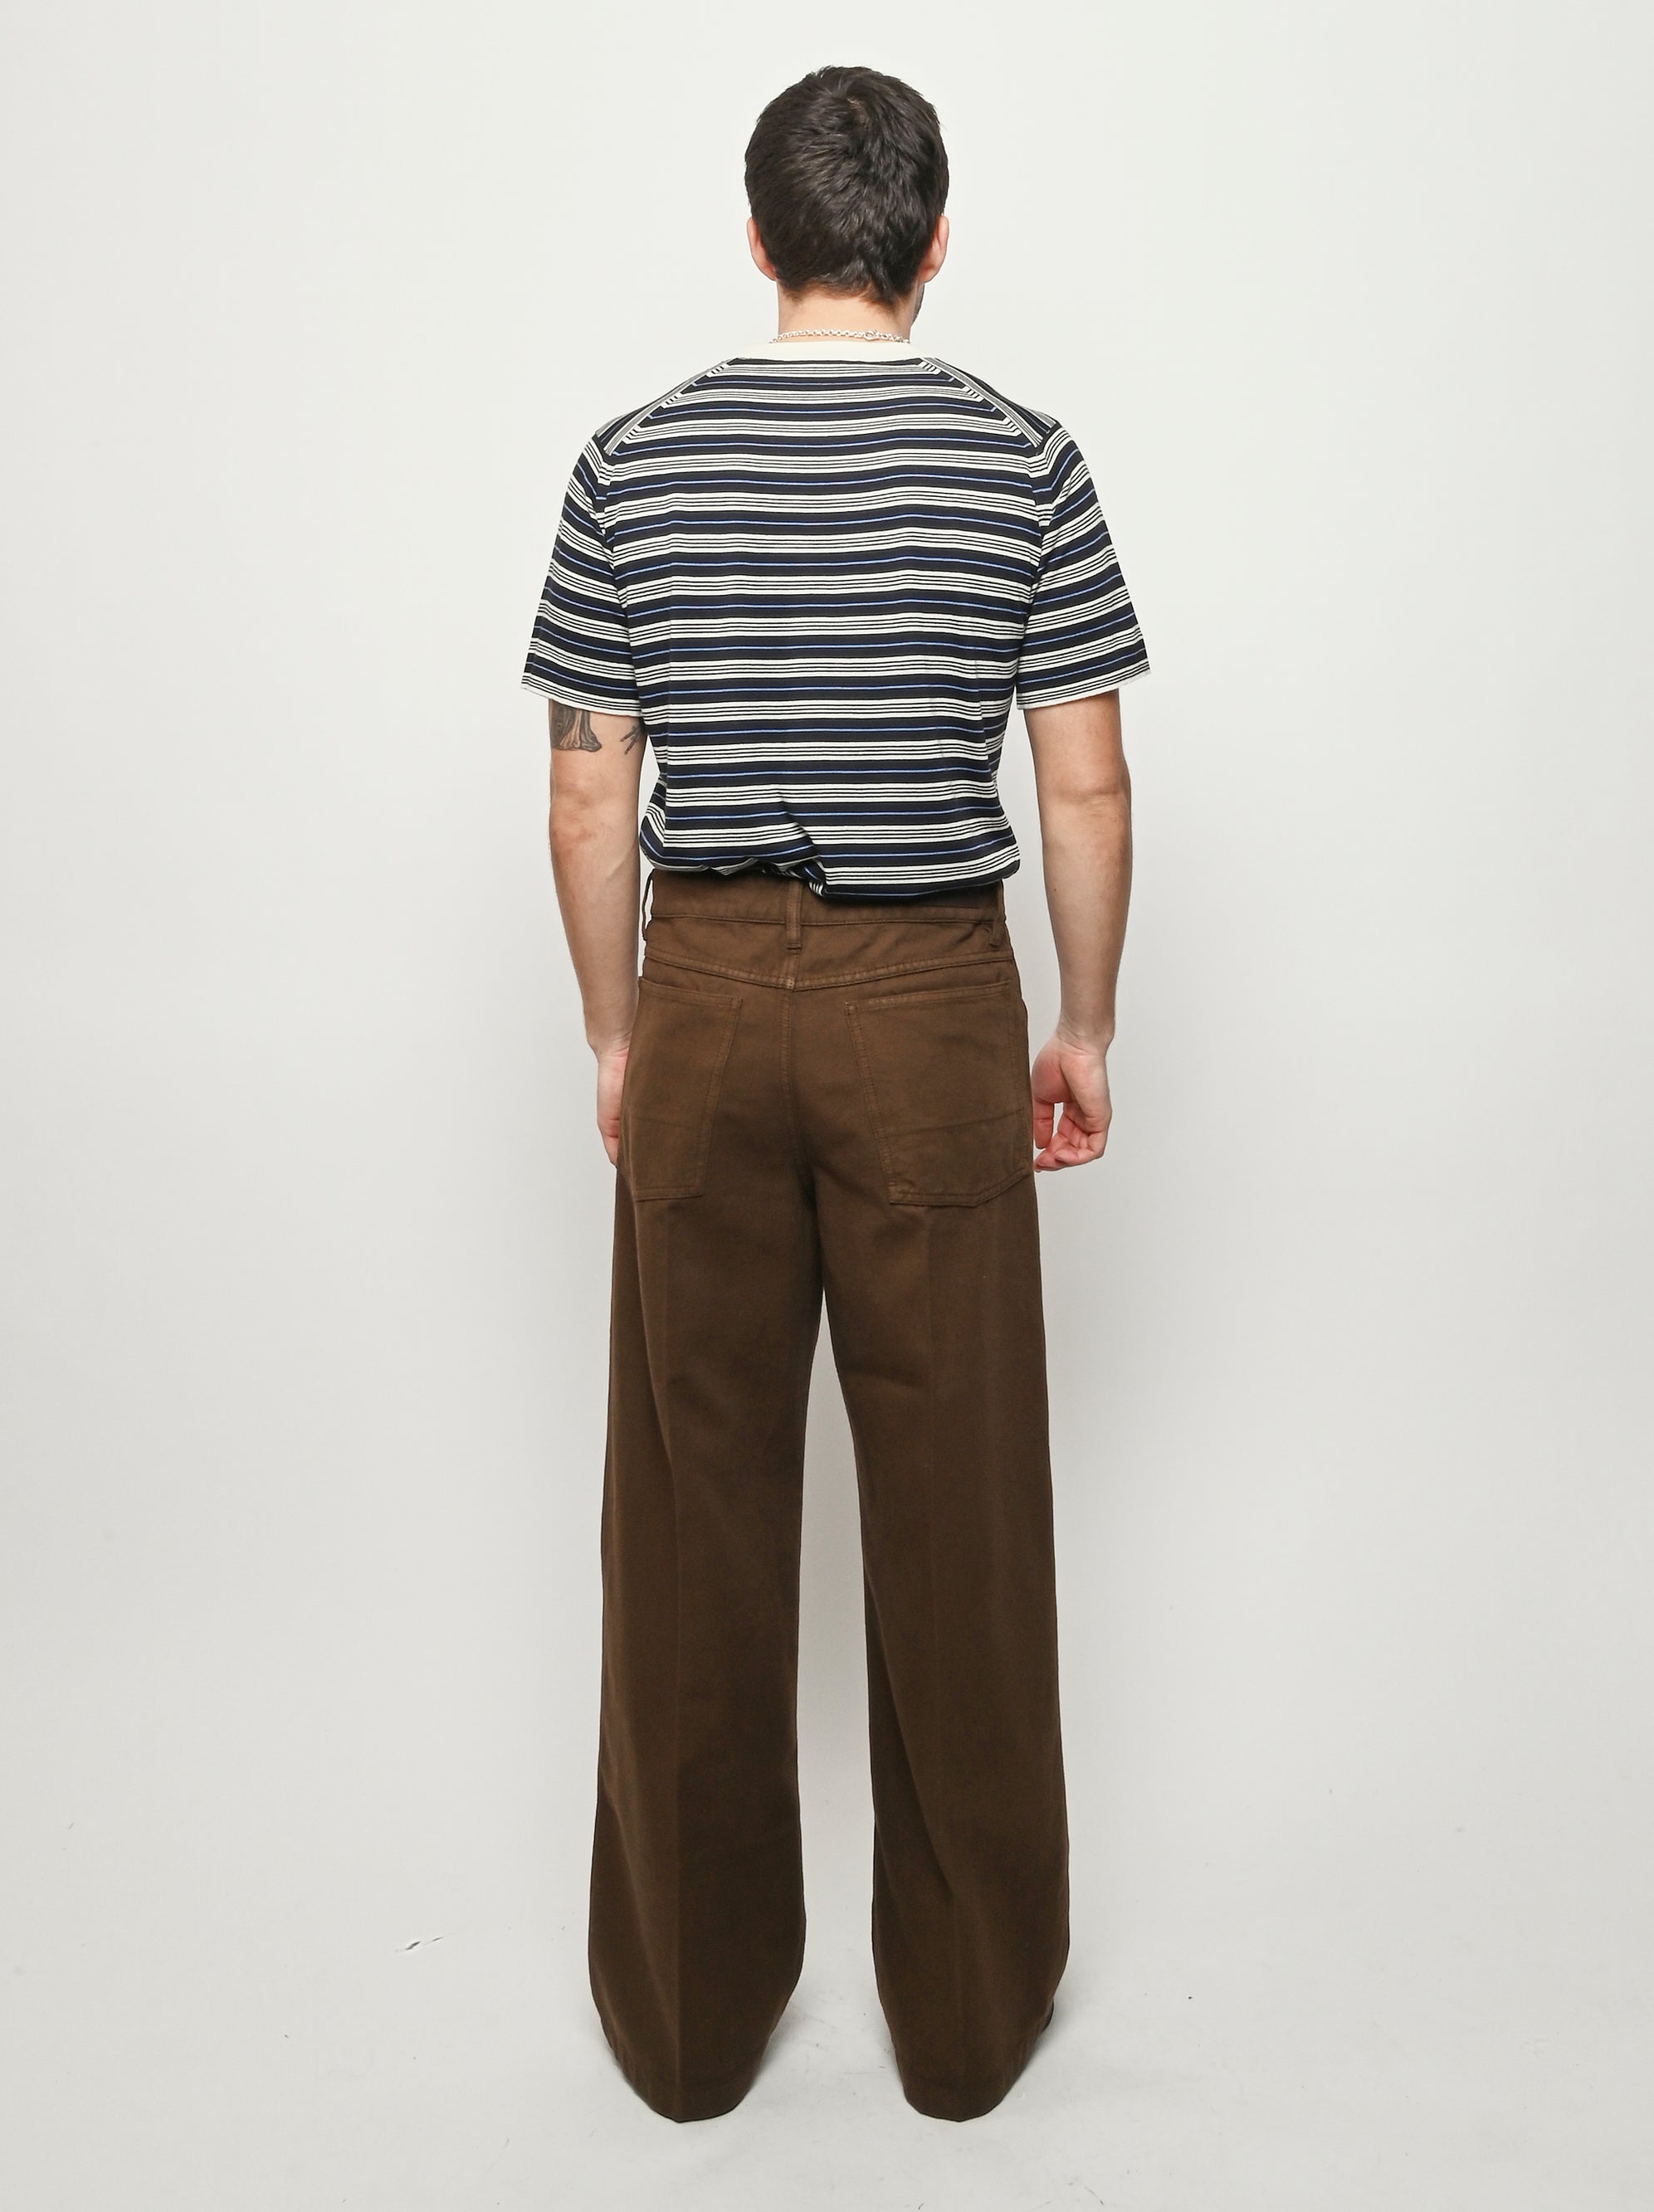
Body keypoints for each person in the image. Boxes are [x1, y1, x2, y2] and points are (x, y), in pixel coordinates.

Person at [520, 64, 1149, 2125]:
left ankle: (687, 2028)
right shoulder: (1020, 460)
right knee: (959, 1512)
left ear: (759, 235)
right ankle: (963, 2028)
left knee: (690, 1514)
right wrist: (1084, 1026)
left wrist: (621, 1032)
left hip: (703, 989)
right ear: (932, 239)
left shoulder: (632, 462)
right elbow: (1081, 782)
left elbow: (587, 788)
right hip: (929, 1001)